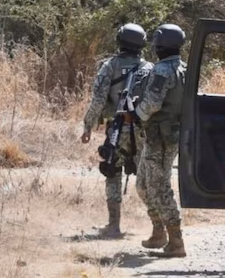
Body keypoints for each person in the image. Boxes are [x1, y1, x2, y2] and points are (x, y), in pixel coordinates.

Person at [80, 23, 152, 238]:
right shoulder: (149, 68)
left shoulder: (110, 66)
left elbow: (99, 98)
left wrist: (88, 125)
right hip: (142, 129)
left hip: (117, 128)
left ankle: (114, 225)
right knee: (146, 177)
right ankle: (160, 226)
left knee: (112, 172)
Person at [134, 24, 187, 258]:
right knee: (143, 185)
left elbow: (153, 103)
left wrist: (136, 115)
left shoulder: (163, 70)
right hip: (162, 136)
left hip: (161, 138)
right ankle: (159, 231)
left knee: (159, 187)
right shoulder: (184, 69)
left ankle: (176, 241)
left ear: (159, 45)